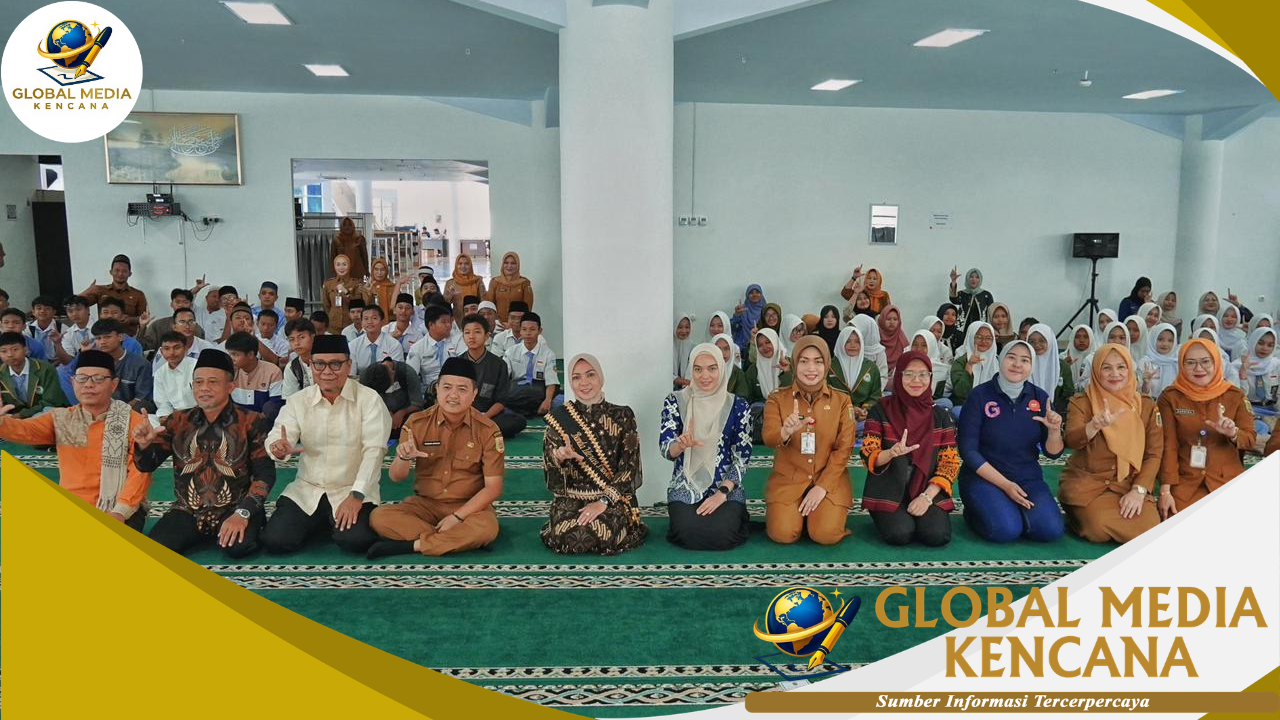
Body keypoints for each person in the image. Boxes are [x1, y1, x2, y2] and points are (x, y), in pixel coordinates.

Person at [133, 349, 276, 558]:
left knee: (238, 548)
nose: (204, 388)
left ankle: (252, 521)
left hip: (235, 507)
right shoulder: (178, 420)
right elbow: (146, 465)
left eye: (213, 382)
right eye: (198, 382)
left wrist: (244, 512)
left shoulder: (252, 420)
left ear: (230, 386)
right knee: (156, 549)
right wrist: (144, 446)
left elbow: (265, 474)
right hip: (188, 509)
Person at [261, 335, 390, 554]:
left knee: (355, 541)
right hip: (308, 489)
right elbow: (279, 435)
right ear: (311, 366)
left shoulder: (369, 400)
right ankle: (325, 521)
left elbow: (374, 452)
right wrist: (278, 447)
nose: (327, 371)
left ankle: (328, 522)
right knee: (275, 540)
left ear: (348, 365)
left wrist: (357, 495)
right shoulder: (298, 400)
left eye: (336, 364)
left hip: (350, 488)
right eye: (319, 364)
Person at [367, 357, 504, 558]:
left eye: (462, 389)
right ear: (436, 389)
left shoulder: (488, 430)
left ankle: (414, 545)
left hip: (469, 507)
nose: (453, 395)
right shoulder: (416, 423)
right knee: (379, 517)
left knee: (487, 527)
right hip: (425, 506)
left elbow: (493, 488)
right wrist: (403, 458)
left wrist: (457, 517)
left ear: (474, 394)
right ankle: (457, 540)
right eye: (447, 387)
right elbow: (396, 477)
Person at [0, 350, 152, 531]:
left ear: (114, 384)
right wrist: (2, 423)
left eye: (98, 379)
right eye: (82, 378)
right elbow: (25, 431)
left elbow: (139, 473)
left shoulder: (133, 421)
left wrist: (120, 511)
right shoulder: (61, 418)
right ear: (73, 383)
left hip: (117, 506)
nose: (88, 384)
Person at [957, 340, 1066, 543]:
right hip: (984, 478)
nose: (1017, 364)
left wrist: (1053, 431)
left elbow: (1053, 453)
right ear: (1001, 359)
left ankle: (1011, 511)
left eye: (1025, 360)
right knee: (1005, 530)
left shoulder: (1040, 397)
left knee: (1050, 530)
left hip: (1027, 478)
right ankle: (974, 512)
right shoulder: (979, 395)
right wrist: (1006, 485)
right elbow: (968, 451)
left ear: (1031, 366)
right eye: (1011, 357)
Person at [541, 354, 649, 555]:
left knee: (604, 535)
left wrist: (603, 502)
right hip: (571, 498)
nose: (584, 383)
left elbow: (629, 467)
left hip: (611, 498)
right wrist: (559, 459)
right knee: (566, 535)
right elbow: (551, 475)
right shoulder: (560, 419)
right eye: (576, 377)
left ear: (601, 377)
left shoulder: (623, 416)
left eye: (590, 375)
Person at [1060, 344, 1162, 543]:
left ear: (1129, 369)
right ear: (1096, 371)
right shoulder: (1081, 402)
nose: (1115, 374)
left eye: (1121, 367)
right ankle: (1078, 517)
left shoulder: (1146, 406)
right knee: (1096, 528)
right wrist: (1093, 426)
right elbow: (1071, 440)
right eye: (1106, 367)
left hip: (1128, 484)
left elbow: (1154, 454)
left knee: (1151, 528)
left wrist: (1139, 490)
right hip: (1089, 486)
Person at [861, 351, 960, 546]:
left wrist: (926, 497)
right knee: (899, 534)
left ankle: (919, 509)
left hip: (926, 489)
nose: (916, 380)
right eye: (909, 374)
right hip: (888, 490)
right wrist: (890, 453)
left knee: (936, 535)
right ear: (899, 376)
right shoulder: (880, 410)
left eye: (923, 374)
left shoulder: (940, 416)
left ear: (930, 377)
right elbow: (867, 453)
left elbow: (949, 463)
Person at [763, 337, 856, 545]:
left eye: (818, 361)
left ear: (827, 365)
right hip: (789, 480)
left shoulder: (842, 401)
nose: (811, 368)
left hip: (829, 479)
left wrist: (822, 486)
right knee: (783, 534)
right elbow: (769, 438)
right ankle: (798, 516)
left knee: (826, 535)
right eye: (804, 361)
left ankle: (818, 515)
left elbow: (844, 449)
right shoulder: (777, 398)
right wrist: (785, 432)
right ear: (795, 364)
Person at [660, 343, 752, 550]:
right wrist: (679, 445)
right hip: (685, 483)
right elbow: (666, 449)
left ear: (721, 368)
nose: (705, 376)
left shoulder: (738, 406)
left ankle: (738, 517)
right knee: (687, 532)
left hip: (726, 485)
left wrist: (722, 493)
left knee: (722, 534)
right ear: (691, 370)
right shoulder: (675, 401)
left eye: (712, 368)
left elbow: (742, 457)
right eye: (698, 369)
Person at [1156, 338, 1255, 517]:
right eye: (1190, 363)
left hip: (1226, 480)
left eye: (1205, 362)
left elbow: (1249, 439)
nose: (1198, 368)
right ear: (1181, 365)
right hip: (1186, 482)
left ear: (1216, 362)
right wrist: (1165, 491)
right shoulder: (1170, 397)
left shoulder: (1235, 396)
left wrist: (1233, 433)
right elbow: (1168, 445)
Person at [453, 314, 526, 438]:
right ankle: (482, 431)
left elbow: (501, 401)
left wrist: (484, 418)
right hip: (462, 414)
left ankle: (474, 429)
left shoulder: (499, 364)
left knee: (518, 421)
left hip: (489, 415)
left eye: (477, 332)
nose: (471, 336)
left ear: (487, 336)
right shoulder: (456, 363)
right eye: (467, 332)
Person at [502, 311, 561, 418]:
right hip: (517, 391)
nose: (528, 333)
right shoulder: (510, 352)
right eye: (524, 329)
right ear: (520, 330)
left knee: (560, 401)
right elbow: (503, 376)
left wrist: (547, 400)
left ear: (540, 331)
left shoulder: (548, 354)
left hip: (539, 392)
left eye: (532, 329)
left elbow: (551, 381)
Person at [0, 331, 68, 416]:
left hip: (41, 413)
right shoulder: (1, 373)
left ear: (25, 350)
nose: (10, 355)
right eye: (4, 351)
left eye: (15, 349)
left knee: (48, 410)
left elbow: (51, 401)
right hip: (12, 416)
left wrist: (21, 415)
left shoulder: (45, 369)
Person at [79, 254, 148, 335]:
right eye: (117, 270)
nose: (120, 274)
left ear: (130, 274)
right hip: (104, 337)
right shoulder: (100, 291)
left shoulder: (138, 294)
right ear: (111, 272)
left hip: (128, 337)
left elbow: (144, 317)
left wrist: (130, 320)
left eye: (124, 271)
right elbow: (76, 305)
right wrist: (88, 290)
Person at [93, 319, 153, 412]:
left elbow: (141, 397)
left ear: (120, 337)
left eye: (107, 337)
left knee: (142, 406)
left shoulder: (141, 364)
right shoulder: (93, 363)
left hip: (130, 409)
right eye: (98, 338)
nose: (102, 342)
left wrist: (119, 412)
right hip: (102, 408)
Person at [407, 304, 463, 403]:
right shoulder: (417, 348)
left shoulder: (458, 340)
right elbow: (411, 376)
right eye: (444, 322)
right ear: (431, 325)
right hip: (430, 392)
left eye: (449, 321)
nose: (449, 325)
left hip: (456, 388)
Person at [225, 331, 283, 421]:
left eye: (235, 354)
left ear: (250, 355)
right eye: (230, 354)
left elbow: (276, 405)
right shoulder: (228, 372)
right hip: (236, 422)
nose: (231, 358)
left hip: (264, 423)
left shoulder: (272, 372)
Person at [831, 325, 882, 421]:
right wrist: (849, 409)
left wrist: (865, 409)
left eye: (857, 341)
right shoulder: (829, 366)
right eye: (848, 341)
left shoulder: (871, 368)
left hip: (863, 419)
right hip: (835, 416)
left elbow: (876, 395)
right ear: (841, 342)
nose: (853, 345)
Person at [744, 328, 787, 441]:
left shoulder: (790, 364)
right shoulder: (753, 370)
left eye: (768, 342)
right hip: (761, 421)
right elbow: (746, 398)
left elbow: (797, 392)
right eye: (760, 345)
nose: (765, 347)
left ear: (775, 342)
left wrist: (787, 372)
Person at [947, 321, 998, 410]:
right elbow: (960, 392)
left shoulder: (997, 361)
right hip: (964, 405)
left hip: (989, 406)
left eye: (988, 338)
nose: (984, 341)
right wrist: (969, 365)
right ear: (971, 337)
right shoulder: (961, 360)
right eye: (979, 337)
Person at [1027, 323, 1075, 413]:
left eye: (1042, 340)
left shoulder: (1062, 366)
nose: (1036, 345)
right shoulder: (1024, 364)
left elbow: (1068, 394)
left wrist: (1052, 411)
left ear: (1050, 341)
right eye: (1031, 341)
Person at [152, 331, 197, 419]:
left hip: (197, 414)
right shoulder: (160, 373)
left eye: (176, 348)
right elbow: (163, 403)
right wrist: (164, 417)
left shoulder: (197, 368)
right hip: (174, 416)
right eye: (166, 348)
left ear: (186, 349)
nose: (171, 353)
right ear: (161, 351)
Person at [349, 305, 405, 376]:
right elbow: (351, 374)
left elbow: (396, 373)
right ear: (362, 322)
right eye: (366, 319)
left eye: (374, 318)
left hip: (388, 381)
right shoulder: (353, 345)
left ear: (382, 321)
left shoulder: (394, 345)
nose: (370, 322)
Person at [321, 254, 367, 333]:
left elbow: (357, 304)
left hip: (351, 323)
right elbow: (326, 305)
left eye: (344, 264)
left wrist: (346, 292)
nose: (341, 267)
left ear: (349, 266)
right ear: (334, 266)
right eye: (338, 264)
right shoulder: (329, 284)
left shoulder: (356, 283)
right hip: (333, 325)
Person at [485, 251, 534, 320]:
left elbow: (528, 308)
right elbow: (489, 305)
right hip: (498, 323)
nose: (509, 266)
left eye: (513, 263)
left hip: (517, 323)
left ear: (518, 265)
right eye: (506, 263)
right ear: (502, 264)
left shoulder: (524, 283)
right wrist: (497, 321)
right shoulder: (495, 282)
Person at [1138, 323, 1180, 399]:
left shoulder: (1176, 363)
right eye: (1160, 339)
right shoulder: (1145, 362)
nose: (1165, 344)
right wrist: (1146, 383)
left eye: (1170, 340)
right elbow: (1139, 393)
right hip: (1149, 403)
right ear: (1153, 339)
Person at [948, 267, 994, 334]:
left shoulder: (986, 295)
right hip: (963, 330)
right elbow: (954, 299)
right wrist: (953, 282)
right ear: (967, 279)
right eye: (971, 277)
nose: (974, 279)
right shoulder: (962, 294)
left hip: (981, 330)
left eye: (977, 277)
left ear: (980, 279)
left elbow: (992, 313)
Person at [909, 329, 949, 405]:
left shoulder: (940, 369)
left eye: (924, 345)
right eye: (915, 344)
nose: (918, 349)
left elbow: (933, 395)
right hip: (906, 400)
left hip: (928, 403)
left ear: (931, 346)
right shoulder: (904, 362)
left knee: (946, 403)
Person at [850, 314, 889, 389]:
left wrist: (874, 392)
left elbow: (883, 376)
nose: (854, 334)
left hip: (872, 391)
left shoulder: (878, 351)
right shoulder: (850, 348)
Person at [443, 254, 486, 322]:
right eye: (460, 263)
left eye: (466, 264)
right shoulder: (450, 283)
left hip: (475, 319)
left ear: (470, 265)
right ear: (456, 265)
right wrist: (450, 295)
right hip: (457, 320)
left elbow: (484, 302)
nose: (463, 266)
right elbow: (444, 304)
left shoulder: (477, 281)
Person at [282, 318, 316, 398]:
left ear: (313, 337)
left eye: (302, 337)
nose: (296, 343)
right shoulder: (292, 367)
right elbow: (290, 398)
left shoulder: (327, 362)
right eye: (292, 339)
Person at [730, 284, 766, 356]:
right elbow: (732, 328)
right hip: (741, 348)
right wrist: (736, 315)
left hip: (760, 348)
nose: (754, 295)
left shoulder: (766, 311)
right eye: (751, 293)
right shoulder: (742, 310)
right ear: (747, 295)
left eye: (757, 292)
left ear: (761, 294)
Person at [330, 216, 371, 281]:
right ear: (341, 226)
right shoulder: (336, 241)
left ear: (353, 226)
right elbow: (333, 260)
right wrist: (334, 275)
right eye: (344, 225)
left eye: (349, 225)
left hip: (359, 274)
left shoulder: (359, 239)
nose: (347, 227)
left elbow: (365, 258)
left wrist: (367, 272)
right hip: (342, 274)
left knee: (361, 287)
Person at [713, 333, 751, 400]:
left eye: (726, 349)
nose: (722, 353)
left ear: (732, 351)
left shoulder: (737, 373)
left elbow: (742, 396)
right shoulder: (705, 370)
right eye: (718, 349)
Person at [27, 295, 63, 361]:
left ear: (54, 312)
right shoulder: (27, 328)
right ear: (33, 312)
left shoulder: (62, 328)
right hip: (34, 362)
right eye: (39, 308)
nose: (42, 311)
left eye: (47, 308)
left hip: (57, 363)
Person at [1062, 325, 1096, 391]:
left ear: (1091, 339)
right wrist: (1064, 367)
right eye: (1077, 337)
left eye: (1086, 337)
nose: (1081, 340)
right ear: (1072, 338)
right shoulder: (1062, 358)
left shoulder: (1097, 358)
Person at [877, 305, 909, 370]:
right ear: (882, 320)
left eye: (895, 319)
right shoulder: (876, 336)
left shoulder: (902, 339)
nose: (892, 322)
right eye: (888, 319)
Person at [673, 312, 695, 389]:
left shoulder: (692, 347)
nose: (684, 331)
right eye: (680, 327)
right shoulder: (668, 347)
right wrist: (687, 382)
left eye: (687, 327)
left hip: (686, 389)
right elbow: (665, 373)